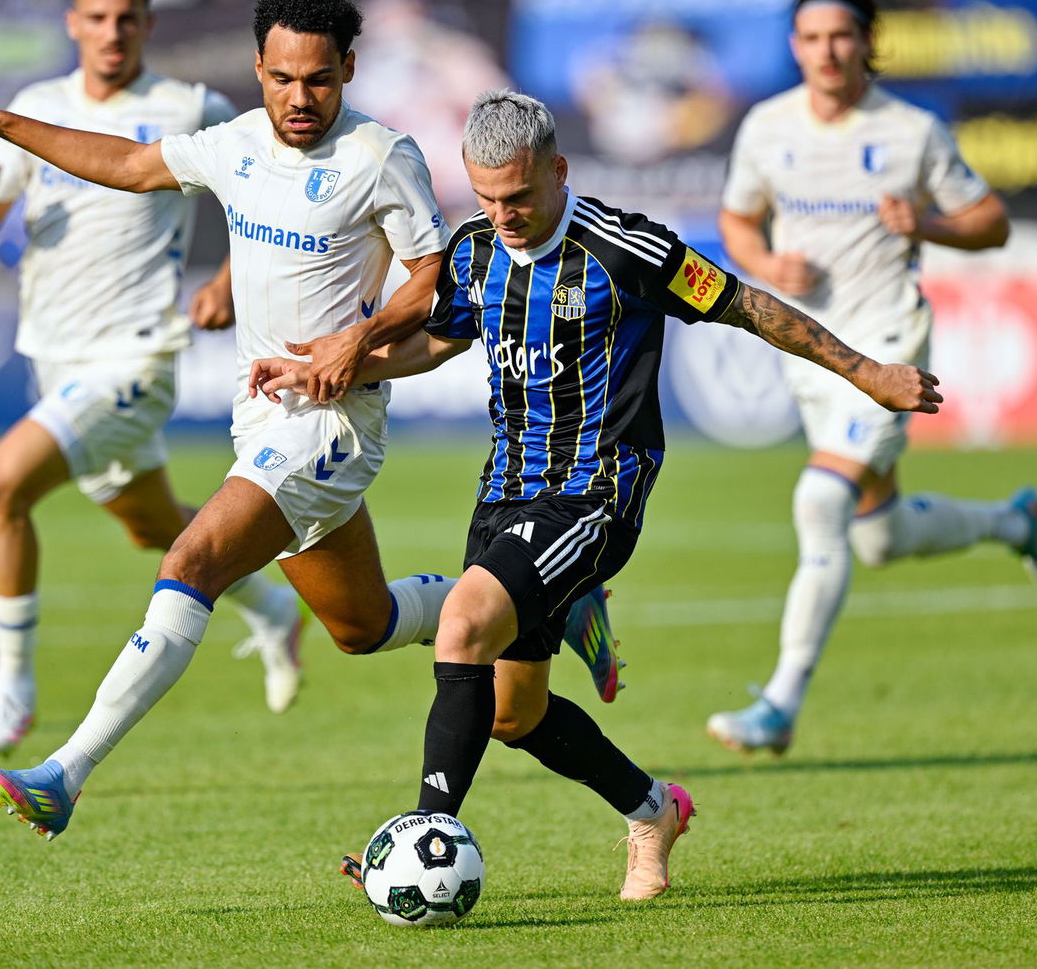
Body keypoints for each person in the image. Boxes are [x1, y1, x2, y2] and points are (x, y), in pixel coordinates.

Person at [0, 0, 620, 840]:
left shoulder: (381, 156)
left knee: (193, 559)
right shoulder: (236, 144)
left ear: (349, 70)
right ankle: (539, 601)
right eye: (282, 78)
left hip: (331, 426)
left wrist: (356, 342)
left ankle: (66, 772)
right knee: (364, 626)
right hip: (265, 418)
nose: (300, 97)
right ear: (259, 70)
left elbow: (438, 279)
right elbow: (130, 167)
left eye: (318, 79)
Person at [250, 89, 941, 900]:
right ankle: (653, 810)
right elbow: (440, 340)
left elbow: (746, 304)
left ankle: (420, 837)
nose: (502, 215)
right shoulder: (474, 250)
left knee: (464, 625)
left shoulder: (626, 249)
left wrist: (870, 374)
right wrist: (337, 369)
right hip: (506, 493)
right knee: (513, 715)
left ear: (558, 171)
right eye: (485, 198)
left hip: (597, 493)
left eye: (518, 197)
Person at [0, 0, 302, 760]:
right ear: (73, 22)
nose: (112, 32)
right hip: (55, 355)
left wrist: (229, 279)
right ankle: (270, 608)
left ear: (147, 21)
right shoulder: (36, 109)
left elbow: (278, 188)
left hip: (137, 357)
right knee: (152, 528)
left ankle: (12, 689)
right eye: (96, 17)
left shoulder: (188, 106)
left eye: (127, 17)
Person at [705, 0, 1037, 756]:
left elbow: (993, 223)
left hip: (890, 346)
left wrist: (929, 225)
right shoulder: (767, 127)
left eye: (841, 36)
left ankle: (779, 702)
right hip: (811, 353)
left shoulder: (912, 131)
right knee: (878, 536)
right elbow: (736, 218)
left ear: (869, 41)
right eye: (811, 38)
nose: (827, 51)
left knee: (819, 503)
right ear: (795, 47)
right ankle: (1013, 520)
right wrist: (765, 256)